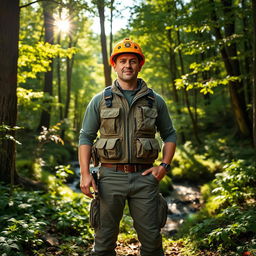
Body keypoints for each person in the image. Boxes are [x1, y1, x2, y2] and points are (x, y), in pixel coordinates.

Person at [79, 38, 177, 256]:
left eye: (133, 61)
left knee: (152, 242)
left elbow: (170, 134)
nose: (127, 66)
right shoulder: (100, 100)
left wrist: (163, 167)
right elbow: (85, 137)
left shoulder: (155, 100)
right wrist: (85, 174)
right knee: (103, 243)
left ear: (140, 65)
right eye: (122, 61)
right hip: (109, 177)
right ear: (114, 65)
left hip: (145, 178)